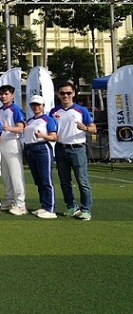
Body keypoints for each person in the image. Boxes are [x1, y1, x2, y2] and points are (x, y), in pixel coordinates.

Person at [50, 82, 96, 220]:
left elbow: (93, 129)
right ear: (58, 94)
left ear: (74, 94)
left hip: (77, 148)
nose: (66, 96)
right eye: (62, 93)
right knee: (64, 181)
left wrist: (85, 128)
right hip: (61, 148)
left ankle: (86, 209)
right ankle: (71, 206)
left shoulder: (81, 110)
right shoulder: (54, 112)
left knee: (82, 181)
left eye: (68, 93)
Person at [22, 95, 58, 219]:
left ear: (43, 106)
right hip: (30, 149)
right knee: (38, 180)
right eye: (33, 105)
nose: (36, 107)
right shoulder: (30, 121)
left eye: (38, 105)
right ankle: (44, 205)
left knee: (46, 180)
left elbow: (54, 137)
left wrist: (43, 136)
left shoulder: (48, 120)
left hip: (42, 148)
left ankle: (51, 208)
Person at [0, 85, 27, 216]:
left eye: (6, 94)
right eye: (1, 94)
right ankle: (10, 200)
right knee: (6, 174)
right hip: (0, 144)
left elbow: (21, 128)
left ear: (12, 96)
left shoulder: (16, 110)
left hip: (12, 143)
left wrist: (9, 128)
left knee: (16, 174)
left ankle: (21, 204)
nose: (3, 96)